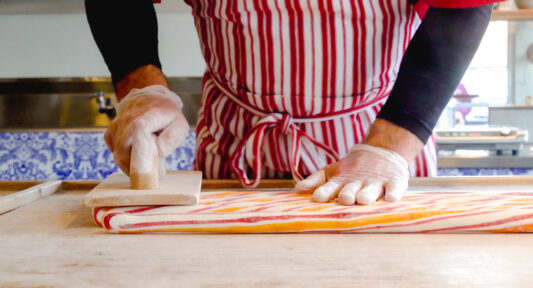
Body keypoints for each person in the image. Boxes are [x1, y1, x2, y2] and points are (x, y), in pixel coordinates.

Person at [86, 0, 502, 205]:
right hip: (237, 145)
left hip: (379, 144)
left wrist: (389, 147)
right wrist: (142, 90)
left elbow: (462, 6)